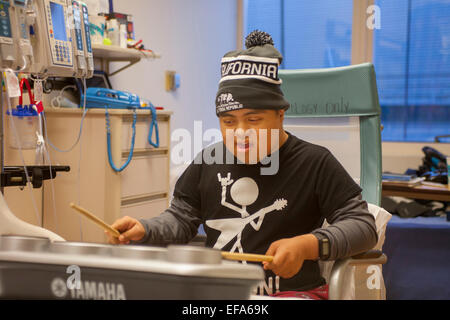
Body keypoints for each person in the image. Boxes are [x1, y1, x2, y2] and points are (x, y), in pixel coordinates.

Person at [106, 30, 378, 299]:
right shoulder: (208, 162)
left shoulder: (315, 163)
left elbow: (363, 226)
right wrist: (146, 229)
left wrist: (308, 245)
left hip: (293, 293)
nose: (240, 133)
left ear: (280, 115)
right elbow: (180, 218)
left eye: (253, 120)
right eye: (228, 122)